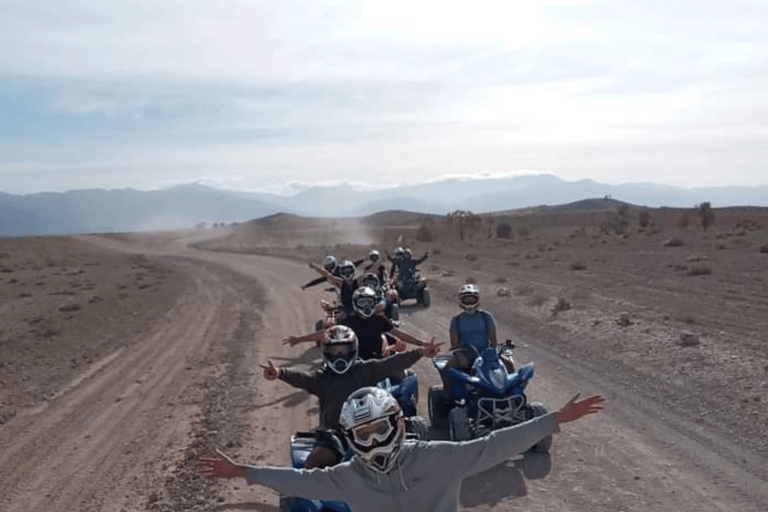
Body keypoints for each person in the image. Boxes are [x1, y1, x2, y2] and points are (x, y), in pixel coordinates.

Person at [196, 389, 605, 512]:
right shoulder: (344, 476)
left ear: (400, 424)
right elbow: (298, 480)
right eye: (362, 434)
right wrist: (244, 472)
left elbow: (496, 444)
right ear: (350, 438)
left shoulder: (441, 456)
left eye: (379, 430)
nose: (372, 442)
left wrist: (553, 420)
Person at [260, 325, 442, 469]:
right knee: (312, 463)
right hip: (335, 436)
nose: (339, 356)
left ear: (353, 349)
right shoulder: (322, 378)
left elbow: (392, 363)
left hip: (372, 431)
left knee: (407, 463)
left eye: (344, 350)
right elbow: (302, 378)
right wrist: (280, 372)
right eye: (334, 351)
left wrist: (420, 352)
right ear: (325, 352)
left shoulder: (366, 369)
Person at [285, 286, 429, 360]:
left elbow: (400, 334)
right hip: (355, 364)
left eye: (369, 302)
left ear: (374, 303)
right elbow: (325, 333)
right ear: (355, 304)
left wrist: (422, 343)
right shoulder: (348, 321)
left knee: (402, 379)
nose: (366, 305)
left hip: (379, 361)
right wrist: (300, 339)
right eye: (362, 302)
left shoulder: (380, 320)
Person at [442, 283, 514, 394]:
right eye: (466, 299)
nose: (470, 302)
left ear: (477, 300)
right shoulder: (456, 320)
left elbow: (494, 340)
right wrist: (460, 356)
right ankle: (448, 397)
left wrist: (495, 353)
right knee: (447, 368)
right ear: (461, 301)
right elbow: (454, 345)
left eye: (472, 299)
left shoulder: (486, 317)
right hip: (466, 353)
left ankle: (512, 392)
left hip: (486, 352)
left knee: (509, 363)